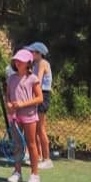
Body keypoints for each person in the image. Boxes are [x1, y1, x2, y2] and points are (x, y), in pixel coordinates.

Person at [5, 49, 43, 182]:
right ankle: (17, 172)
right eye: (16, 60)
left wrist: (22, 104)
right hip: (15, 116)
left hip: (29, 116)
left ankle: (34, 175)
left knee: (31, 144)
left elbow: (40, 98)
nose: (17, 62)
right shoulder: (11, 78)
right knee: (17, 145)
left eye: (20, 60)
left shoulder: (33, 79)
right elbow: (8, 96)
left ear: (28, 63)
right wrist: (9, 104)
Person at [27, 41, 53, 169]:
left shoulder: (42, 63)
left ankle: (47, 159)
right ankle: (38, 157)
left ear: (39, 53)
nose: (30, 54)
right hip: (37, 94)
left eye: (32, 52)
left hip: (43, 95)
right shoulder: (36, 64)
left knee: (40, 128)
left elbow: (37, 80)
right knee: (35, 128)